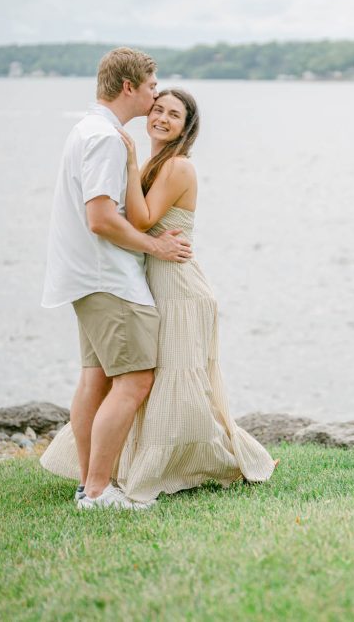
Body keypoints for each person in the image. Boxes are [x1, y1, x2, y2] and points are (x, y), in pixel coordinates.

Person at [42, 88, 277, 506]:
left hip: (179, 286)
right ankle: (112, 476)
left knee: (178, 379)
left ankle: (200, 461)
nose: (163, 118)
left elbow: (142, 219)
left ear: (187, 128)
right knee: (149, 379)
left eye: (175, 115)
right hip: (153, 279)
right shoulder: (153, 162)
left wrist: (130, 164)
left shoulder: (176, 167)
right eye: (159, 109)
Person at [39, 48, 192, 510]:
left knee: (96, 380)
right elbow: (102, 219)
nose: (154, 93)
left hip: (85, 276)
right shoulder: (106, 138)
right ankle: (101, 490)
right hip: (109, 278)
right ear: (129, 87)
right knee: (135, 380)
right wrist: (157, 247)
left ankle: (89, 484)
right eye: (151, 86)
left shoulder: (87, 129)